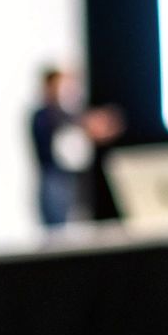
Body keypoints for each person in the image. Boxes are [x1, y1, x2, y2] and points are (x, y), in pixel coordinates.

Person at [29, 68, 123, 227]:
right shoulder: (43, 116)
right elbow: (57, 145)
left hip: (72, 178)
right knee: (56, 227)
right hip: (53, 177)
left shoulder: (69, 115)